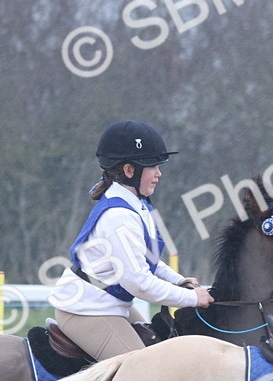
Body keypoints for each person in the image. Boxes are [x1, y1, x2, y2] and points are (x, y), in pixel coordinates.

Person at [49, 119, 213, 360]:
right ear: (129, 170)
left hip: (108, 305)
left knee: (161, 346)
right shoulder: (119, 217)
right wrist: (191, 298)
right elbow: (139, 282)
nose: (159, 174)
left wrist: (178, 281)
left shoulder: (138, 205)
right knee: (145, 373)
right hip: (86, 311)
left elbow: (147, 261)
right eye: (153, 167)